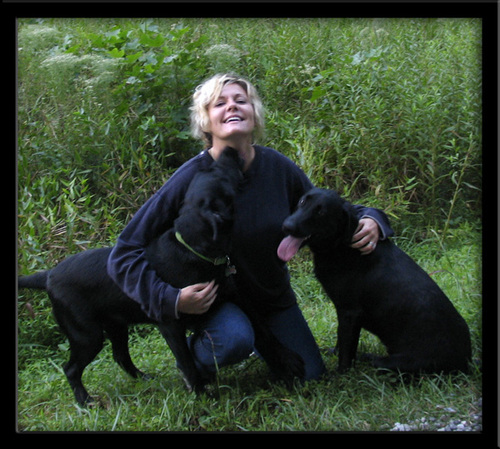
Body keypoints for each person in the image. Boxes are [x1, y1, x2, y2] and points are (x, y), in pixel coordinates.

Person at [107, 73, 393, 383]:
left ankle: (261, 340)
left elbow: (324, 208)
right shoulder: (190, 178)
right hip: (216, 303)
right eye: (219, 103)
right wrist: (170, 299)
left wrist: (372, 219)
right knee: (233, 339)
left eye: (241, 101)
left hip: (270, 298)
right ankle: (196, 355)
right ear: (205, 122)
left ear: (254, 114)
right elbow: (125, 251)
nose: (232, 106)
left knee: (309, 374)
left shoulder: (277, 167)